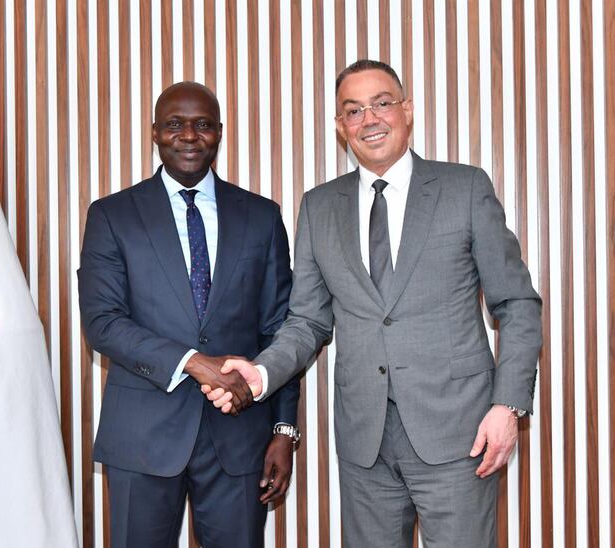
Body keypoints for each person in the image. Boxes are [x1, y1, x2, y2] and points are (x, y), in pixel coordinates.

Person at [206, 60, 542, 547]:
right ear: (340, 126)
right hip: (365, 443)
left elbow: (517, 303)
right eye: (354, 110)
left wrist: (507, 405)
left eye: (382, 103)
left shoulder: (465, 188)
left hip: (461, 434)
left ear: (407, 110)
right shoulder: (319, 207)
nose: (369, 119)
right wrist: (261, 374)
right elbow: (307, 321)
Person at [78, 81, 300, 548]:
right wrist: (194, 363)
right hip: (141, 437)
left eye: (202, 125)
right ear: (155, 132)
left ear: (219, 132)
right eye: (174, 124)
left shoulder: (261, 216)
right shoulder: (113, 215)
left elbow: (280, 331)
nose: (188, 135)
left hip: (240, 438)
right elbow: (102, 322)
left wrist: (284, 430)